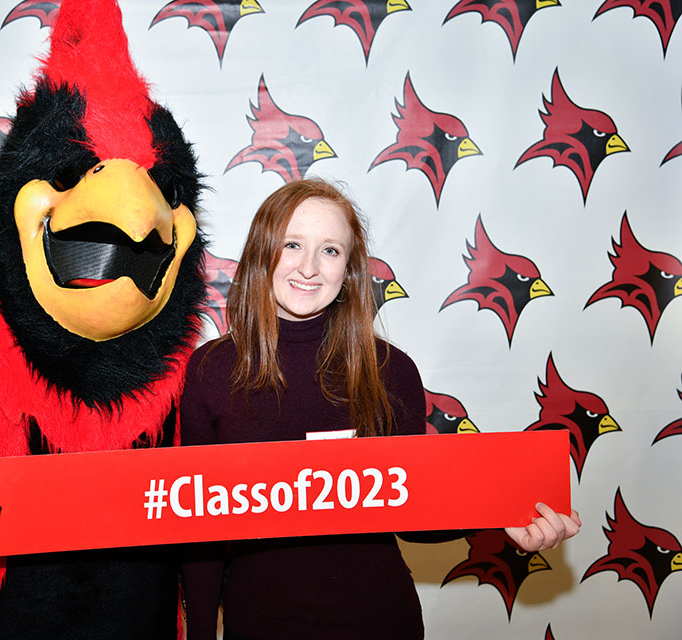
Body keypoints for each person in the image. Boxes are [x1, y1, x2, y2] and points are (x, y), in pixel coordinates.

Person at [179, 178, 580, 640]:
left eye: (330, 250)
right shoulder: (211, 370)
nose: (308, 267)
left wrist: (500, 514)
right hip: (261, 624)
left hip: (379, 620)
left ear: (348, 269)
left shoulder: (392, 372)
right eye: (292, 244)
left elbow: (413, 515)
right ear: (262, 252)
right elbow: (198, 535)